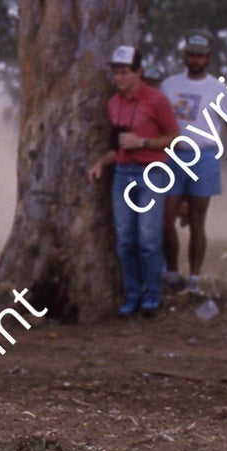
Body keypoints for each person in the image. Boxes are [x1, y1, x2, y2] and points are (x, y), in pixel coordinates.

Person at [88, 45, 181, 317]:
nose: (119, 78)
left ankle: (153, 293)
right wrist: (100, 164)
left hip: (152, 171)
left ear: (138, 72)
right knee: (125, 239)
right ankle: (131, 294)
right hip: (123, 173)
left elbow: (174, 136)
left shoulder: (156, 100)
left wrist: (145, 142)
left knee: (148, 238)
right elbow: (117, 145)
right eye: (116, 73)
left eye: (125, 73)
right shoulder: (114, 104)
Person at [159, 31, 227, 294]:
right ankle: (172, 273)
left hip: (205, 156)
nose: (195, 59)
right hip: (173, 156)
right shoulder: (169, 85)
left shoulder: (219, 89)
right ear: (185, 56)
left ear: (208, 58)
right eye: (191, 54)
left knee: (198, 221)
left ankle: (195, 279)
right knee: (166, 220)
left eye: (200, 55)